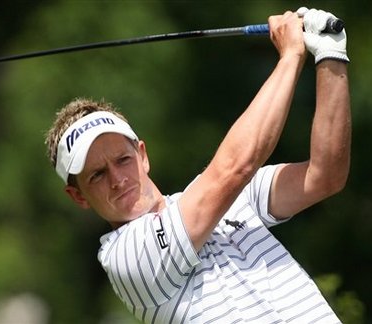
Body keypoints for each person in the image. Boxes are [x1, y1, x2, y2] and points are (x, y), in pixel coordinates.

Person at [45, 7, 350, 323]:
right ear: (78, 196)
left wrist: (331, 54)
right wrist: (290, 57)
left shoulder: (219, 196)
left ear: (143, 155)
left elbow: (324, 176)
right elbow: (234, 168)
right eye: (97, 174)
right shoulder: (125, 257)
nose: (117, 179)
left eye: (123, 160)